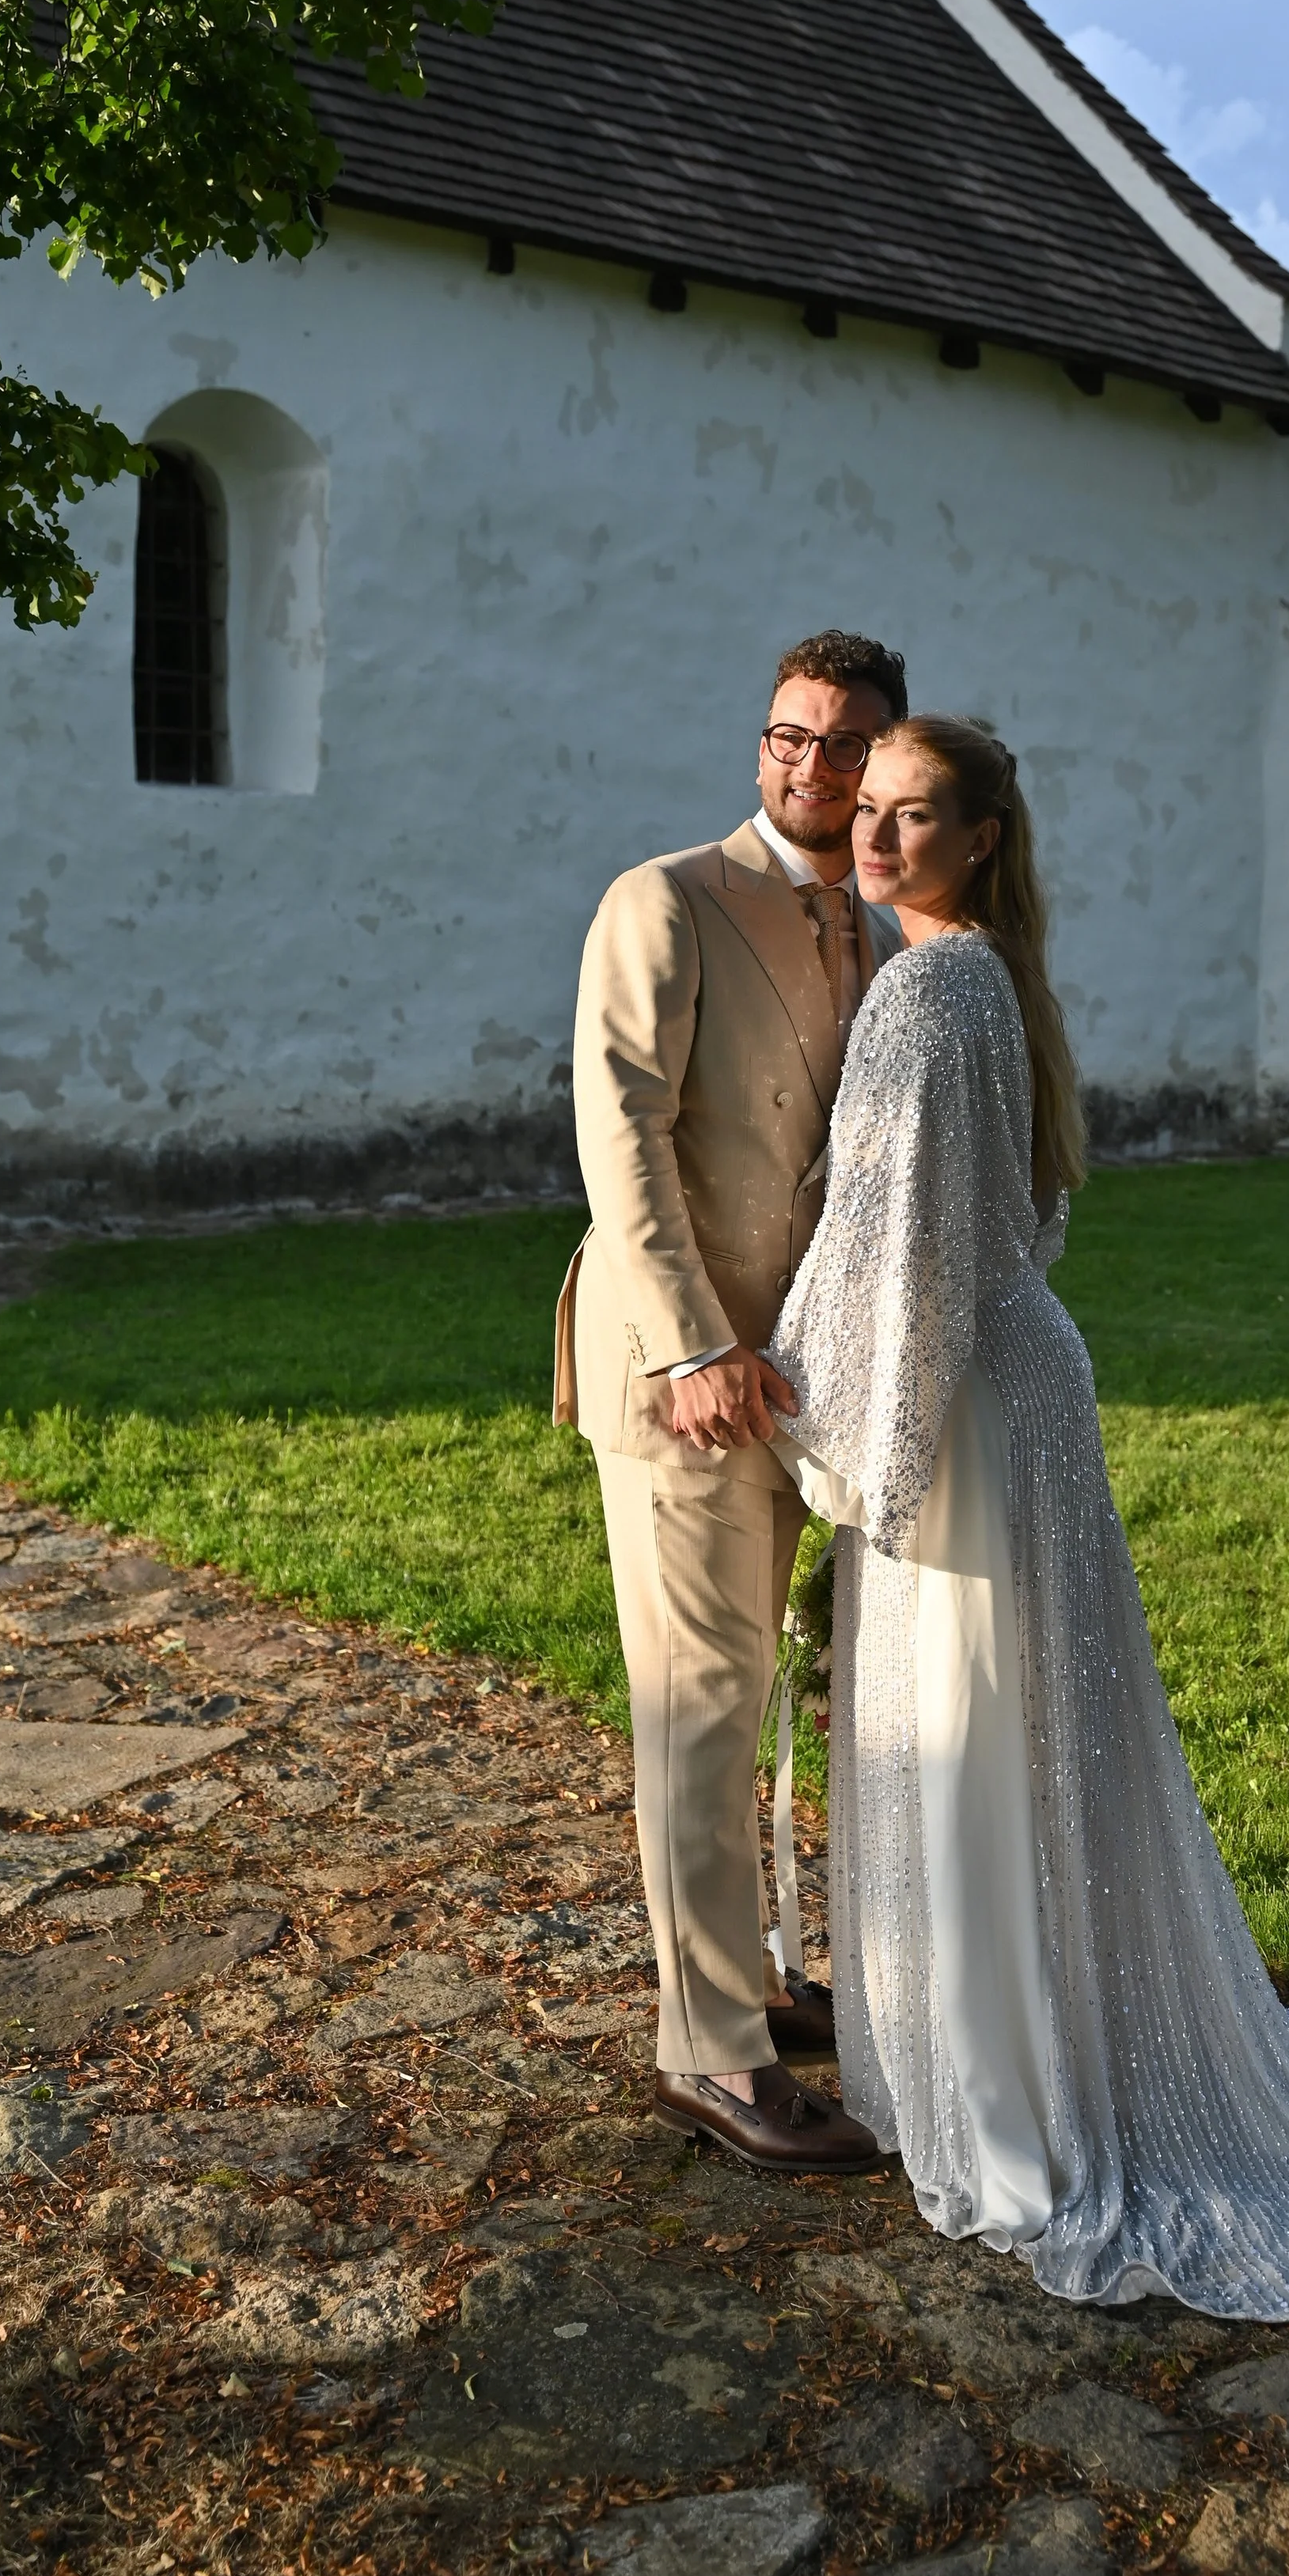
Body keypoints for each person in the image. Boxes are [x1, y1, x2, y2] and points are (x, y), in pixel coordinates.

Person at [765, 716, 1289, 2313]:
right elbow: (988, 1228)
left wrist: (802, 1404)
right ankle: (1039, 2047)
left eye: (911, 816)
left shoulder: (923, 990)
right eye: (865, 812)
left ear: (979, 838)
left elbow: (905, 1255)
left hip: (956, 1401)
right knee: (1026, 1732)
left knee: (969, 1730)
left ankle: (1011, 2098)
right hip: (1016, 1378)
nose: (875, 838)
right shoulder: (997, 984)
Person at [554, 631, 907, 2175]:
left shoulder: (888, 930)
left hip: (808, 1378)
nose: (805, 767)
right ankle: (708, 2052)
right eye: (786, 735)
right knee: (699, 1705)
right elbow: (618, 1137)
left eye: (838, 747)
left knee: (760, 1695)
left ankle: (749, 1985)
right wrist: (696, 1348)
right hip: (684, 1373)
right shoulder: (665, 900)